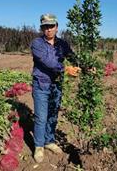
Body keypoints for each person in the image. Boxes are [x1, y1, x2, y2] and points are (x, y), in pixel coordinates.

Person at [30, 13, 79, 163]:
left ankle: (49, 141)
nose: (49, 29)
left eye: (51, 26)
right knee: (40, 117)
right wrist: (66, 69)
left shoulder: (62, 44)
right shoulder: (37, 44)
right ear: (42, 28)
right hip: (41, 84)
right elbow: (47, 61)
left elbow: (72, 56)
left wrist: (85, 66)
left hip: (56, 84)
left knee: (53, 114)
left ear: (57, 27)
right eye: (45, 26)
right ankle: (39, 146)